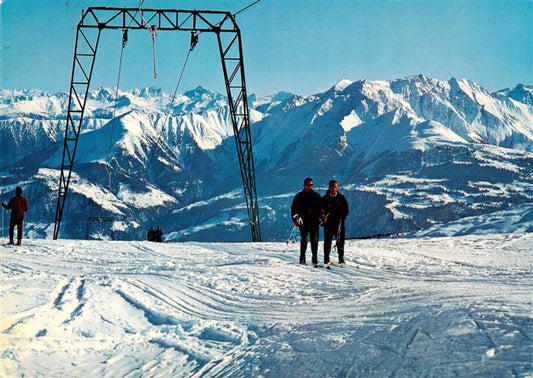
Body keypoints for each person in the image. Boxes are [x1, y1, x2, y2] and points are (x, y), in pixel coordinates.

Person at [291, 178, 323, 267]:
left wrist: (322, 217)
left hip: (314, 221)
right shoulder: (299, 196)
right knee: (304, 240)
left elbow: (321, 209)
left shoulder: (316, 196)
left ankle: (314, 259)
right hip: (303, 221)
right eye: (308, 185)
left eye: (311, 185)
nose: (309, 187)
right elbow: (293, 209)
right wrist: (294, 220)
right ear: (304, 185)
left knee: (314, 241)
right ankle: (302, 259)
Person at [321, 180, 349, 267]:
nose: (333, 189)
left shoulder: (341, 198)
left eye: (335, 187)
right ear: (329, 187)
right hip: (328, 224)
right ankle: (326, 258)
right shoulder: (324, 199)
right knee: (327, 242)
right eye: (332, 187)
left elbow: (346, 210)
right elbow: (320, 210)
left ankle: (341, 259)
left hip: (339, 224)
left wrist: (342, 218)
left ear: (337, 188)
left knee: (340, 242)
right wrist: (323, 216)